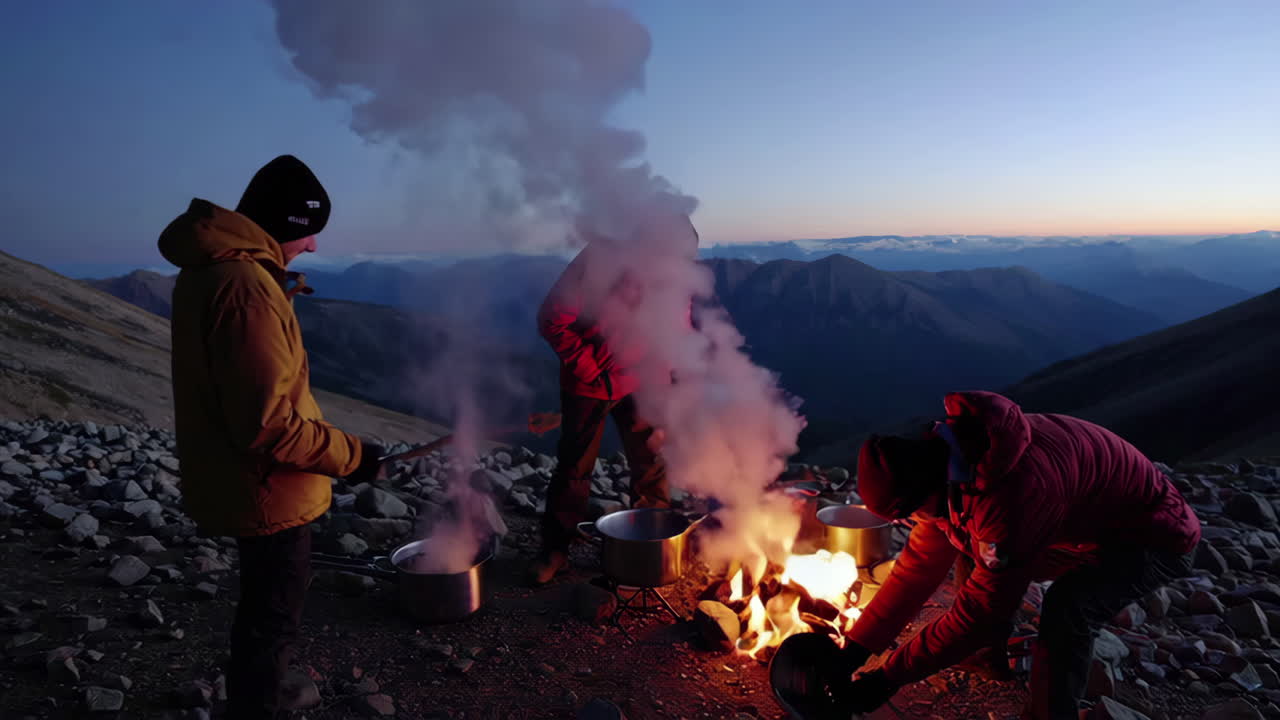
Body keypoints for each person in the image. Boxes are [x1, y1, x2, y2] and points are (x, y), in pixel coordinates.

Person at [159, 155, 383, 719]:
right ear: (286, 223)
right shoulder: (244, 288)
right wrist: (354, 456)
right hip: (267, 489)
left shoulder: (216, 271)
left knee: (266, 611)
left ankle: (259, 694)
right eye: (309, 232)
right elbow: (266, 425)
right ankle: (256, 705)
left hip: (247, 480)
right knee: (272, 617)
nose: (313, 246)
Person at [830, 391, 1200, 719]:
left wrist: (888, 678)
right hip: (1083, 523)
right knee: (967, 546)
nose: (911, 523)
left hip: (1154, 534)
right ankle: (982, 656)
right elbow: (917, 570)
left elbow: (979, 612)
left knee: (1069, 608)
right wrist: (855, 649)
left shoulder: (1011, 497)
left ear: (925, 492)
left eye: (908, 514)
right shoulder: (947, 465)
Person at [529, 216, 698, 584]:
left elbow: (678, 327)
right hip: (591, 384)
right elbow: (550, 320)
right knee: (575, 468)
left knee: (651, 461)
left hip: (645, 380)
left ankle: (652, 545)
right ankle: (556, 549)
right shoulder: (599, 262)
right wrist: (593, 371)